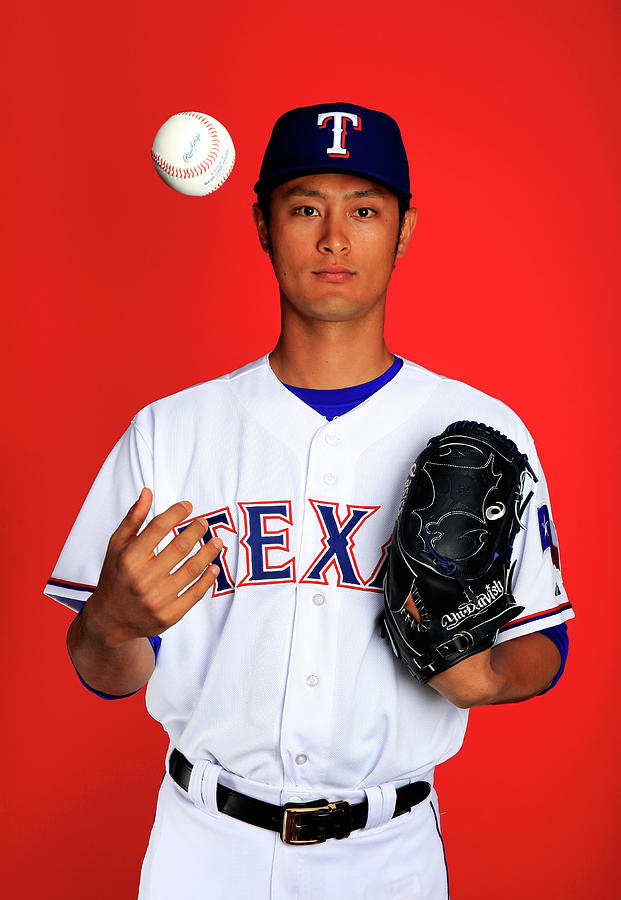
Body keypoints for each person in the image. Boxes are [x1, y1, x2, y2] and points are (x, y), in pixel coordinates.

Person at [45, 102, 573, 899]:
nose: (334, 237)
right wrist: (109, 625)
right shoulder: (170, 433)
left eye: (363, 209)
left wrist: (487, 679)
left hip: (386, 858)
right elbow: (106, 670)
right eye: (304, 209)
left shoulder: (477, 428)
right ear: (262, 226)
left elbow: (544, 640)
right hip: (202, 849)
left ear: (403, 230)